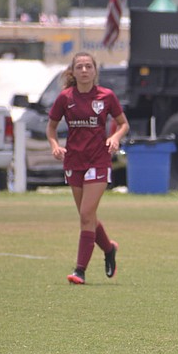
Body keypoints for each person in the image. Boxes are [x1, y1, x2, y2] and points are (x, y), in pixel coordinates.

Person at [47, 52, 129, 285]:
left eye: (88, 66)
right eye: (79, 67)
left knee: (85, 215)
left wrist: (114, 137)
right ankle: (109, 248)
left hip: (98, 160)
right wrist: (54, 145)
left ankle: (80, 270)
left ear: (95, 71)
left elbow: (123, 124)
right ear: (72, 72)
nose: (84, 70)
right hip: (74, 161)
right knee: (88, 216)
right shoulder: (65, 98)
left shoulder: (106, 96)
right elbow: (51, 128)